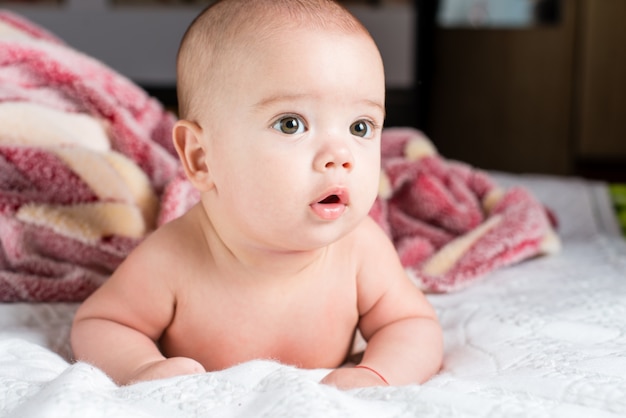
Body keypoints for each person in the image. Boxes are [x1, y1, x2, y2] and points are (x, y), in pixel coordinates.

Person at [71, 0, 443, 390]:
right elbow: (102, 323)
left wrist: (378, 374)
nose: (341, 156)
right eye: (291, 123)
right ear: (201, 158)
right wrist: (140, 368)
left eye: (361, 127)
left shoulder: (361, 250)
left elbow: (412, 325)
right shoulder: (173, 257)